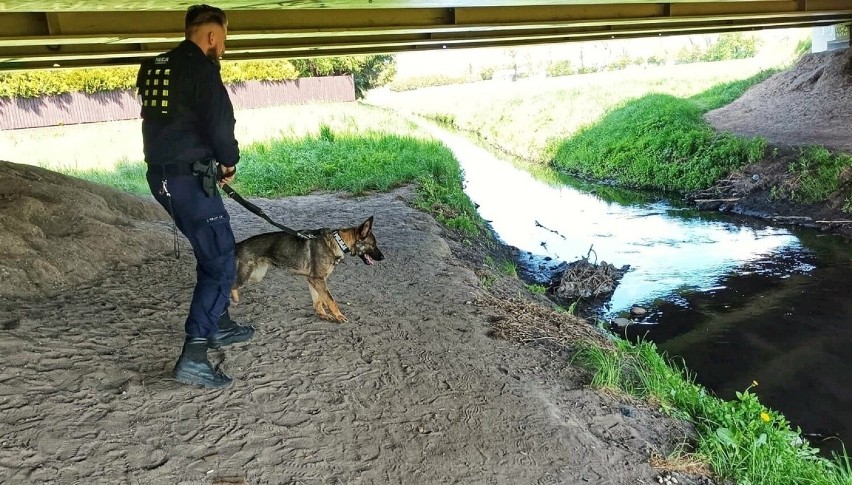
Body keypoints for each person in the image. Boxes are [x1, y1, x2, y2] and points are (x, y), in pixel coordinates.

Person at [137, 4, 254, 389]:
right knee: (221, 261)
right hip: (189, 180)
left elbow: (170, 122)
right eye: (223, 40)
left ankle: (218, 321)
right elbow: (221, 123)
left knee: (213, 251)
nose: (222, 48)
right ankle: (195, 354)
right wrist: (228, 162)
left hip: (164, 177)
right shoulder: (203, 70)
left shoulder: (155, 65)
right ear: (211, 36)